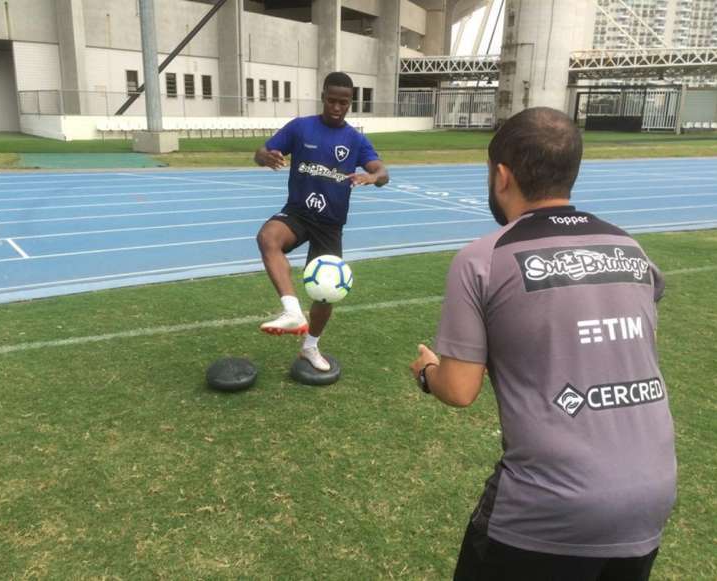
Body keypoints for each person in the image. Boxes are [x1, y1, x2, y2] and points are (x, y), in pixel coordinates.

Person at [409, 107, 676, 581]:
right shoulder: (631, 249)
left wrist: (428, 373)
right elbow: (628, 341)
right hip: (650, 497)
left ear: (502, 176)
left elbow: (460, 389)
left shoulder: (482, 259)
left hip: (547, 507)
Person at [255, 71, 389, 371]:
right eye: (332, 100)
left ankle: (310, 347)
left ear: (350, 103)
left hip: (330, 224)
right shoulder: (301, 128)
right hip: (298, 213)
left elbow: (383, 171)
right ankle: (292, 311)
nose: (337, 107)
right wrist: (266, 158)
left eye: (343, 102)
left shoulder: (355, 139)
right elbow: (261, 151)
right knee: (267, 238)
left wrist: (373, 176)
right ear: (323, 98)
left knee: (327, 294)